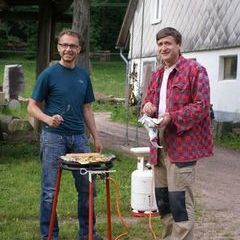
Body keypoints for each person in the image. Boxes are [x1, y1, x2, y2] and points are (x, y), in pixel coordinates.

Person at [28, 29, 103, 240]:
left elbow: (87, 109)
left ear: (79, 49)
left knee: (87, 188)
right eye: (64, 45)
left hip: (79, 138)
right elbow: (32, 106)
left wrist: (96, 136)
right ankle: (50, 235)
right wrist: (47, 119)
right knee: (50, 190)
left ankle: (88, 234)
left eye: (73, 46)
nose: (68, 49)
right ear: (58, 47)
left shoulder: (83, 76)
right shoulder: (48, 74)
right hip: (53, 137)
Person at [142, 27, 213, 240]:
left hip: (182, 144)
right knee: (164, 201)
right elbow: (149, 101)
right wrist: (147, 106)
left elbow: (201, 107)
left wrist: (172, 116)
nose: (164, 48)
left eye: (168, 43)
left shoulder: (195, 70)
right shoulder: (156, 75)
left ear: (178, 45)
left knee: (179, 203)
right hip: (158, 143)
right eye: (160, 44)